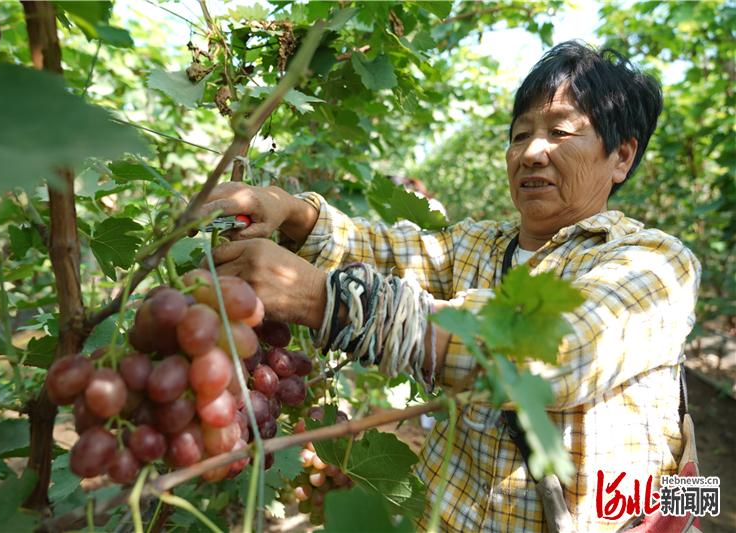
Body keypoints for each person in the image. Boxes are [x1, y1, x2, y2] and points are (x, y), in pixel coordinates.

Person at [201, 41, 700, 532]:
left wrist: (323, 298)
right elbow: (387, 249)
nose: (531, 153)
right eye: (520, 134)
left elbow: (557, 354)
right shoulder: (480, 246)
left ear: (621, 157)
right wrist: (291, 211)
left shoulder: (656, 264)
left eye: (561, 131)